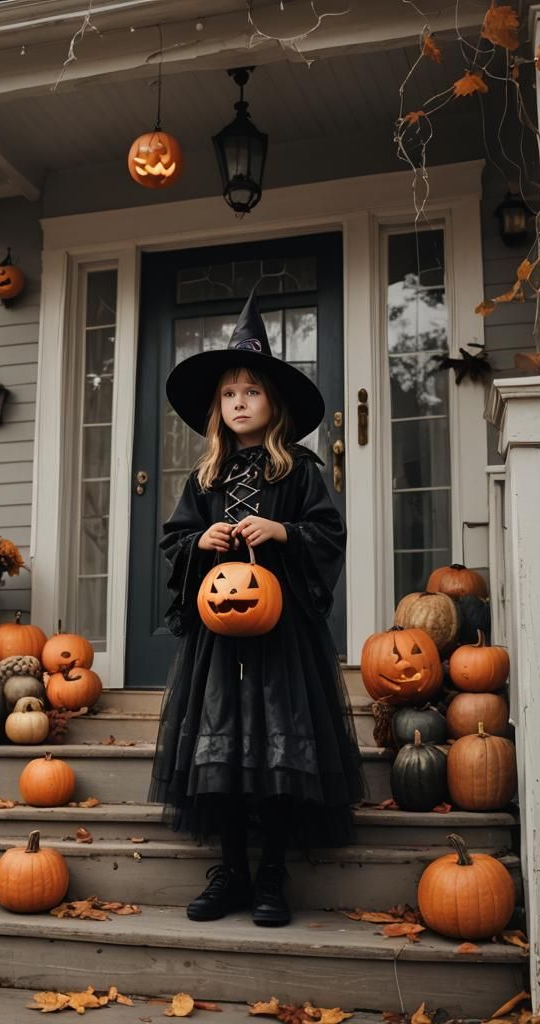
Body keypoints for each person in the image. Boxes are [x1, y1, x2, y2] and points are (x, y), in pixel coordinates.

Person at [149, 291, 362, 928]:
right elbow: (173, 541)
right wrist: (200, 542)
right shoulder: (204, 480)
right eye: (228, 394)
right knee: (222, 748)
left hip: (281, 637)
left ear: (274, 404)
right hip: (219, 640)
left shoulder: (299, 470)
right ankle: (232, 870)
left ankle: (271, 871)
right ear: (217, 408)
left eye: (251, 392)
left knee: (274, 748)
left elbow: (328, 535)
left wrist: (284, 532)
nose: (239, 402)